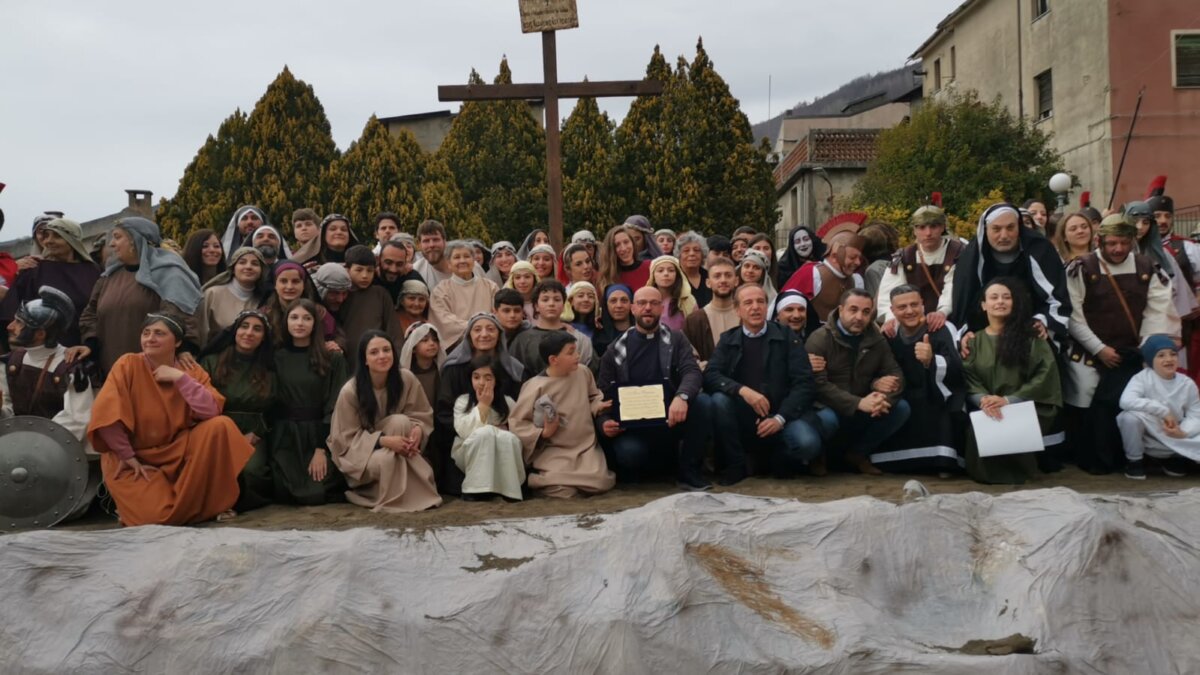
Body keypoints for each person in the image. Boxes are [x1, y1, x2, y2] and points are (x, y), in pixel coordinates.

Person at [87, 313, 254, 526]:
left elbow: (211, 411)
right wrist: (127, 456)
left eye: (159, 333)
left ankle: (207, 503)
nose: (150, 339)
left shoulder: (189, 370)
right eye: (146, 333)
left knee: (221, 426)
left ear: (177, 342)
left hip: (178, 452)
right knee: (155, 519)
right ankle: (191, 509)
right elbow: (106, 416)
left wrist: (181, 379)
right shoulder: (127, 364)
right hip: (133, 459)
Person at [1064, 213, 1175, 474]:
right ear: (1100, 241)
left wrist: (1144, 349)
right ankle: (1095, 460)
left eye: (1124, 243)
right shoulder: (1082, 267)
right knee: (1089, 407)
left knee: (1132, 406)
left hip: (1133, 354)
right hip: (1088, 354)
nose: (1118, 249)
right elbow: (1072, 315)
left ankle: (1134, 458)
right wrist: (1098, 348)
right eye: (1112, 243)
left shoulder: (1148, 267)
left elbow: (1156, 313)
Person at [596, 287, 711, 489]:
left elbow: (691, 371)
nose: (647, 308)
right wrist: (604, 422)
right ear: (633, 309)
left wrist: (682, 397)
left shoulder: (676, 339)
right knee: (629, 454)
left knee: (702, 402)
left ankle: (688, 473)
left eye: (653, 303)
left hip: (672, 419)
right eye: (641, 303)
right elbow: (602, 393)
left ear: (661, 308)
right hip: (634, 428)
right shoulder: (614, 350)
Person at [704, 284, 818, 484]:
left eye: (760, 302)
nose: (755, 307)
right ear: (738, 310)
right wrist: (742, 390)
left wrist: (780, 418)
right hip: (743, 414)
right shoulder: (728, 339)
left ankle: (778, 459)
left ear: (767, 307)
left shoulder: (787, 337)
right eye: (748, 303)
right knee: (718, 400)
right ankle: (736, 465)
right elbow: (711, 375)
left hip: (782, 414)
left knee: (807, 443)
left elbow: (804, 383)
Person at [1, 287, 99, 519]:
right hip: (15, 456)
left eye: (18, 322)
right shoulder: (12, 361)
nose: (10, 327)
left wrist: (36, 450)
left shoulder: (71, 367)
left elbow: (77, 419)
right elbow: (10, 413)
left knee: (64, 511)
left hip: (60, 461)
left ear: (40, 334)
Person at [962, 278, 1063, 484]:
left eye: (1006, 297)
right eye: (994, 297)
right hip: (987, 408)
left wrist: (1009, 400)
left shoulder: (1031, 337)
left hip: (1026, 405)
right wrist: (985, 400)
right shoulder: (974, 341)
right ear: (984, 305)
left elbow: (1045, 373)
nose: (1000, 302)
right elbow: (968, 377)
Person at [328, 330, 441, 512]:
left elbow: (421, 413)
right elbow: (343, 438)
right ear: (364, 359)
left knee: (401, 421)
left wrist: (418, 430)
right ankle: (378, 495)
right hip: (361, 454)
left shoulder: (406, 379)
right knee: (386, 460)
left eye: (386, 350)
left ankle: (406, 494)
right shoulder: (350, 391)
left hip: (402, 446)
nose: (382, 356)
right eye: (374, 352)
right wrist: (384, 441)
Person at [76, 217, 202, 375]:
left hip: (156, 372)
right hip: (111, 372)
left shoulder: (170, 274)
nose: (111, 244)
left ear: (135, 240)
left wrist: (184, 348)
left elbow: (181, 316)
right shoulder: (108, 278)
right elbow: (90, 315)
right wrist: (91, 343)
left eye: (117, 237)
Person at [806, 289, 911, 475]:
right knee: (826, 419)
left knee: (901, 408)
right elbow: (818, 385)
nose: (859, 317)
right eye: (853, 310)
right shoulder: (820, 338)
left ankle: (857, 454)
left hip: (865, 403)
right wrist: (858, 403)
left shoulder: (876, 338)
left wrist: (881, 398)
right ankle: (819, 456)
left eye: (865, 312)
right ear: (841, 310)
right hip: (829, 405)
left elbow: (896, 374)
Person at [872, 285, 966, 475]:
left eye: (914, 304)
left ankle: (942, 462)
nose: (909, 311)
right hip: (905, 394)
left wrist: (932, 360)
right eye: (902, 307)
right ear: (892, 311)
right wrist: (877, 382)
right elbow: (875, 367)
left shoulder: (941, 328)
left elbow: (958, 370)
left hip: (937, 392)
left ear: (923, 304)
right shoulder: (888, 334)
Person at [510, 331, 616, 498]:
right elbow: (518, 423)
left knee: (600, 482)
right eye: (571, 352)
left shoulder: (583, 372)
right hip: (553, 449)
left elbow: (593, 396)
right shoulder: (534, 386)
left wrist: (598, 405)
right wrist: (543, 433)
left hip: (585, 447)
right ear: (554, 360)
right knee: (561, 489)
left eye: (576, 350)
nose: (577, 355)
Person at [949, 203, 1071, 346]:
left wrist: (1043, 321)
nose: (1004, 235)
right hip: (983, 336)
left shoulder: (1041, 250)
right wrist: (965, 332)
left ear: (1019, 227)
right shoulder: (971, 258)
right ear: (985, 230)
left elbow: (1058, 297)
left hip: (1031, 332)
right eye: (996, 229)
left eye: (1010, 228)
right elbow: (963, 303)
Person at [436, 313, 525, 494]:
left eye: (491, 329)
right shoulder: (453, 369)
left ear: (499, 335)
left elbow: (520, 410)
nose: (484, 334)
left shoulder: (512, 368)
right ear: (469, 335)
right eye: (477, 330)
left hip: (504, 437)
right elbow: (443, 414)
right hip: (463, 438)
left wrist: (506, 427)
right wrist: (476, 430)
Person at [270, 299, 348, 504]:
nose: (300, 323)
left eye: (307, 318)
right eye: (294, 317)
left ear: (315, 323)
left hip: (318, 434)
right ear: (286, 322)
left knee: (314, 493)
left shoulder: (333, 358)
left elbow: (336, 405)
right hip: (285, 436)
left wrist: (321, 448)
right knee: (282, 490)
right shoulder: (275, 357)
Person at [200, 308, 276, 511]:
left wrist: (256, 433)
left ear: (263, 338)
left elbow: (275, 407)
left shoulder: (270, 369)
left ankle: (237, 505)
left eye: (257, 329)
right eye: (244, 326)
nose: (249, 333)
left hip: (253, 432)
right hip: (218, 429)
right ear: (235, 330)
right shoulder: (211, 362)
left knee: (251, 471)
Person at [5, 218, 100, 348]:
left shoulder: (93, 272)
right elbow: (11, 312)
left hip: (81, 349)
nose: (48, 241)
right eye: (46, 236)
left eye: (57, 236)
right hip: (39, 351)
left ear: (72, 240)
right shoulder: (33, 271)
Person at [1118, 335, 1200, 479]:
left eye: (1173, 354)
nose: (1168, 359)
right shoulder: (1142, 378)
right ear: (1151, 361)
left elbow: (1196, 415)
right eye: (1161, 355)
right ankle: (1135, 461)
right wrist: (1163, 411)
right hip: (1151, 433)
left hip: (1175, 434)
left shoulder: (1187, 383)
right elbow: (1126, 401)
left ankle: (1174, 458)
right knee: (1128, 417)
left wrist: (1183, 432)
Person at [452, 355, 527, 501]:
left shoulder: (507, 402)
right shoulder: (463, 401)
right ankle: (476, 489)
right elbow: (464, 431)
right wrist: (483, 405)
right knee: (486, 433)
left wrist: (499, 432)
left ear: (496, 380)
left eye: (488, 378)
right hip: (470, 450)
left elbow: (518, 429)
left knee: (508, 437)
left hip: (501, 451)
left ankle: (509, 490)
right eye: (476, 377)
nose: (481, 383)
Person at [875, 205, 961, 333]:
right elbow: (889, 292)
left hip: (951, 322)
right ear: (914, 230)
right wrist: (891, 318)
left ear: (943, 227)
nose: (928, 233)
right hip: (911, 326)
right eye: (921, 227)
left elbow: (953, 287)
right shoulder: (904, 257)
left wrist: (942, 312)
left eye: (934, 226)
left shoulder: (957, 252)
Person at [782, 230, 865, 334]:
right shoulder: (812, 273)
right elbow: (782, 307)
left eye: (859, 258)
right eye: (852, 258)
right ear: (834, 256)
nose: (858, 262)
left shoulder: (856, 280)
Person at [508, 280, 596, 377]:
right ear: (536, 306)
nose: (551, 304)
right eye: (545, 300)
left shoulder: (580, 339)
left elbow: (590, 374)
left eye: (557, 299)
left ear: (563, 306)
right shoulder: (522, 340)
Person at [428, 240, 499, 349]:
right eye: (456, 257)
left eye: (466, 256)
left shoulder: (490, 286)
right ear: (449, 264)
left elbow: (498, 314)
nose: (462, 261)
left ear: (474, 260)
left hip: (490, 343)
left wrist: (483, 331)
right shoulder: (440, 291)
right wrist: (477, 328)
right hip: (458, 347)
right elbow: (444, 320)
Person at [339, 245, 402, 365]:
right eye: (359, 270)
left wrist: (396, 360)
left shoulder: (380, 294)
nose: (364, 275)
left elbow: (394, 331)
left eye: (369, 270)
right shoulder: (340, 294)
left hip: (378, 360)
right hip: (347, 360)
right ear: (347, 270)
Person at [261, 261, 339, 351]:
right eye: (283, 281)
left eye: (295, 281)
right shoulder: (265, 314)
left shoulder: (318, 312)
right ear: (275, 285)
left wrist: (335, 344)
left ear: (303, 285)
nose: (289, 286)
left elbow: (337, 336)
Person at [197, 247, 268, 346]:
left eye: (255, 264)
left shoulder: (265, 299)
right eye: (242, 262)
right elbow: (200, 331)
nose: (248, 267)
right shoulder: (213, 294)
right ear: (233, 268)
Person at [683, 257, 739, 364]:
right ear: (708, 283)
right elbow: (689, 360)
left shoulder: (747, 316)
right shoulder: (694, 321)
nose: (723, 280)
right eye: (717, 276)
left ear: (736, 281)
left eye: (728, 275)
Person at [398, 322, 445, 407]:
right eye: (424, 340)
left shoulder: (441, 371)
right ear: (413, 348)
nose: (432, 343)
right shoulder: (406, 374)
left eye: (435, 339)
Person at [646, 255, 697, 331]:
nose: (666, 274)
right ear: (653, 276)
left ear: (677, 275)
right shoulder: (646, 300)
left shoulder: (688, 300)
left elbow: (695, 330)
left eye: (671, 270)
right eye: (660, 270)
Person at [598, 226, 651, 291]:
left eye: (626, 242)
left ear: (632, 243)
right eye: (617, 245)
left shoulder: (649, 267)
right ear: (611, 250)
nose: (623, 248)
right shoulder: (605, 277)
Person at [375, 240, 423, 306]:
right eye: (388, 262)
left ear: (405, 262)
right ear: (379, 259)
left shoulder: (413, 278)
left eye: (399, 264)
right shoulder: (369, 279)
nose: (393, 269)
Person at [592, 284, 632, 358]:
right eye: (613, 301)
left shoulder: (642, 331)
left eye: (624, 301)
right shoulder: (597, 335)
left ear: (631, 304)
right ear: (606, 305)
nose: (619, 305)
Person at [413, 219, 453, 287]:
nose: (431, 245)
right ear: (419, 245)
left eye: (436, 240)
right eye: (426, 241)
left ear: (444, 241)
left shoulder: (469, 266)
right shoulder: (416, 272)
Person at [675, 232, 710, 308]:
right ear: (679, 255)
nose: (691, 254)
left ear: (703, 254)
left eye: (696, 250)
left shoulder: (710, 277)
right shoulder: (674, 278)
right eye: (686, 251)